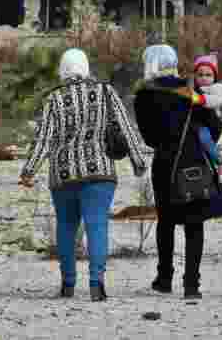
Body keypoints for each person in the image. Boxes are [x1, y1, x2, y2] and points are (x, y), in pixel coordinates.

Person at [19, 48, 147, 301]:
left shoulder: (53, 99)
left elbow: (43, 139)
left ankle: (67, 285)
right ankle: (96, 285)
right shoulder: (106, 92)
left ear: (62, 70)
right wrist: (138, 161)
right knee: (97, 225)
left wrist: (29, 171)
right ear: (86, 68)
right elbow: (126, 127)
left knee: (66, 228)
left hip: (63, 176)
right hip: (100, 173)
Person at [134, 44, 222, 300]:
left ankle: (164, 279)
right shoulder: (191, 89)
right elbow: (215, 126)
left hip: (165, 163)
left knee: (166, 221)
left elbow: (149, 138)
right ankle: (192, 285)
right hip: (194, 163)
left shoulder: (144, 95)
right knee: (194, 224)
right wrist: (198, 141)